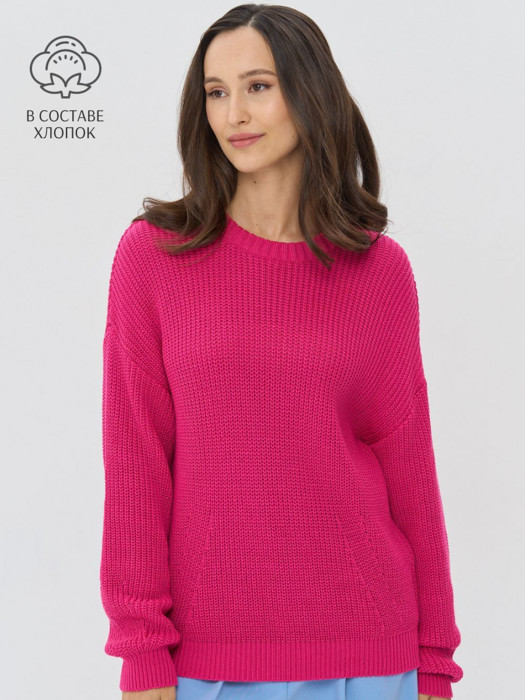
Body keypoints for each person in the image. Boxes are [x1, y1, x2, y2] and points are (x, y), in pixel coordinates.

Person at [99, 4, 464, 700]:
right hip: (209, 661)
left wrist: (433, 662)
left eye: (258, 86)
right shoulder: (152, 257)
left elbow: (409, 467)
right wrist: (141, 652)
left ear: (309, 91)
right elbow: (134, 463)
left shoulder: (380, 272)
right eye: (216, 91)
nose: (234, 112)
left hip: (371, 653)